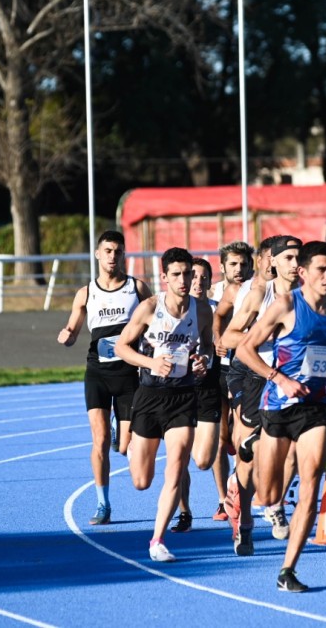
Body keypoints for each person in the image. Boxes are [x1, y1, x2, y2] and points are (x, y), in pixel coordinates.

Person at [237, 240, 326, 593]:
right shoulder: (286, 305)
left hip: (317, 408)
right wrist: (280, 378)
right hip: (278, 406)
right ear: (303, 272)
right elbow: (245, 349)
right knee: (269, 493)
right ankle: (253, 446)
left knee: (310, 487)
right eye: (321, 269)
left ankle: (287, 570)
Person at [113, 247, 213, 562]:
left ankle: (157, 540)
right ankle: (128, 441)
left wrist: (202, 361)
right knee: (141, 481)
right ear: (164, 277)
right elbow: (121, 347)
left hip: (183, 397)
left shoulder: (203, 310)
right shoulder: (149, 308)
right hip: (149, 394)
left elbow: (207, 347)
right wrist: (151, 362)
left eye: (189, 274)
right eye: (177, 275)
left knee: (176, 466)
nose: (184, 280)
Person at [57, 230, 151, 526]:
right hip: (97, 373)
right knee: (98, 442)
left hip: (128, 374)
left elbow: (155, 319)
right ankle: (103, 504)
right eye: (107, 251)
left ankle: (117, 428)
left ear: (124, 255)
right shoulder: (86, 293)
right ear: (98, 254)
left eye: (118, 251)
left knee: (123, 448)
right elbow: (73, 329)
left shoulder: (137, 288)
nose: (112, 257)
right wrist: (67, 336)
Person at [220, 236, 302, 555]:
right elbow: (228, 335)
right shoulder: (259, 292)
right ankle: (245, 525)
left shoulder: (307, 297)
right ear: (272, 262)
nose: (296, 264)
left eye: (300, 258)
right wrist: (265, 333)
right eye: (289, 258)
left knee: (295, 450)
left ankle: (276, 504)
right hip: (254, 374)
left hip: (291, 378)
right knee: (249, 459)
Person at [169, 257, 221, 533]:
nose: (197, 282)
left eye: (203, 277)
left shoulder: (212, 310)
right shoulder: (167, 309)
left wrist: (205, 358)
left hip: (209, 385)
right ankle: (185, 512)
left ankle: (229, 494)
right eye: (193, 276)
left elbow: (211, 347)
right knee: (180, 455)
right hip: (178, 388)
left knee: (203, 460)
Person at [208, 241, 255, 522]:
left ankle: (241, 487)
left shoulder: (260, 291)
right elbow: (216, 316)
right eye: (233, 264)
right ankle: (222, 499)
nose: (239, 269)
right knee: (219, 439)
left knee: (241, 437)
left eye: (243, 264)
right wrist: (217, 339)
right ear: (223, 266)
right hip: (220, 370)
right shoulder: (220, 291)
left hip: (247, 371)